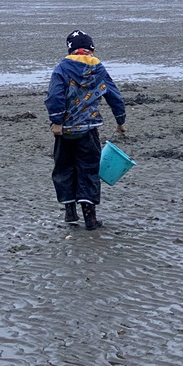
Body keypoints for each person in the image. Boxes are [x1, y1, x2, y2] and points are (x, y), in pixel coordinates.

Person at [45, 30, 127, 230]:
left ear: (70, 50)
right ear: (92, 49)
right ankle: (90, 219)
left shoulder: (61, 69)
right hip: (89, 129)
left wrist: (56, 121)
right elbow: (113, 94)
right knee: (88, 171)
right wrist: (120, 119)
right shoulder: (98, 68)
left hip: (64, 130)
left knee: (64, 169)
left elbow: (55, 97)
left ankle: (69, 211)